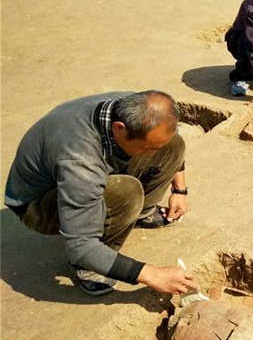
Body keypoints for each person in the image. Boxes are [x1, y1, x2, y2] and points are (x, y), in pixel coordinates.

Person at [4, 91, 199, 296]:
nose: (153, 152)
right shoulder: (80, 161)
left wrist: (180, 190)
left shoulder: (131, 106)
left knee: (173, 144)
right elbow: (81, 246)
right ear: (119, 129)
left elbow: (164, 143)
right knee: (126, 192)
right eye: (148, 148)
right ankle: (89, 267)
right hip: (37, 205)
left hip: (73, 178)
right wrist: (152, 275)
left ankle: (143, 212)